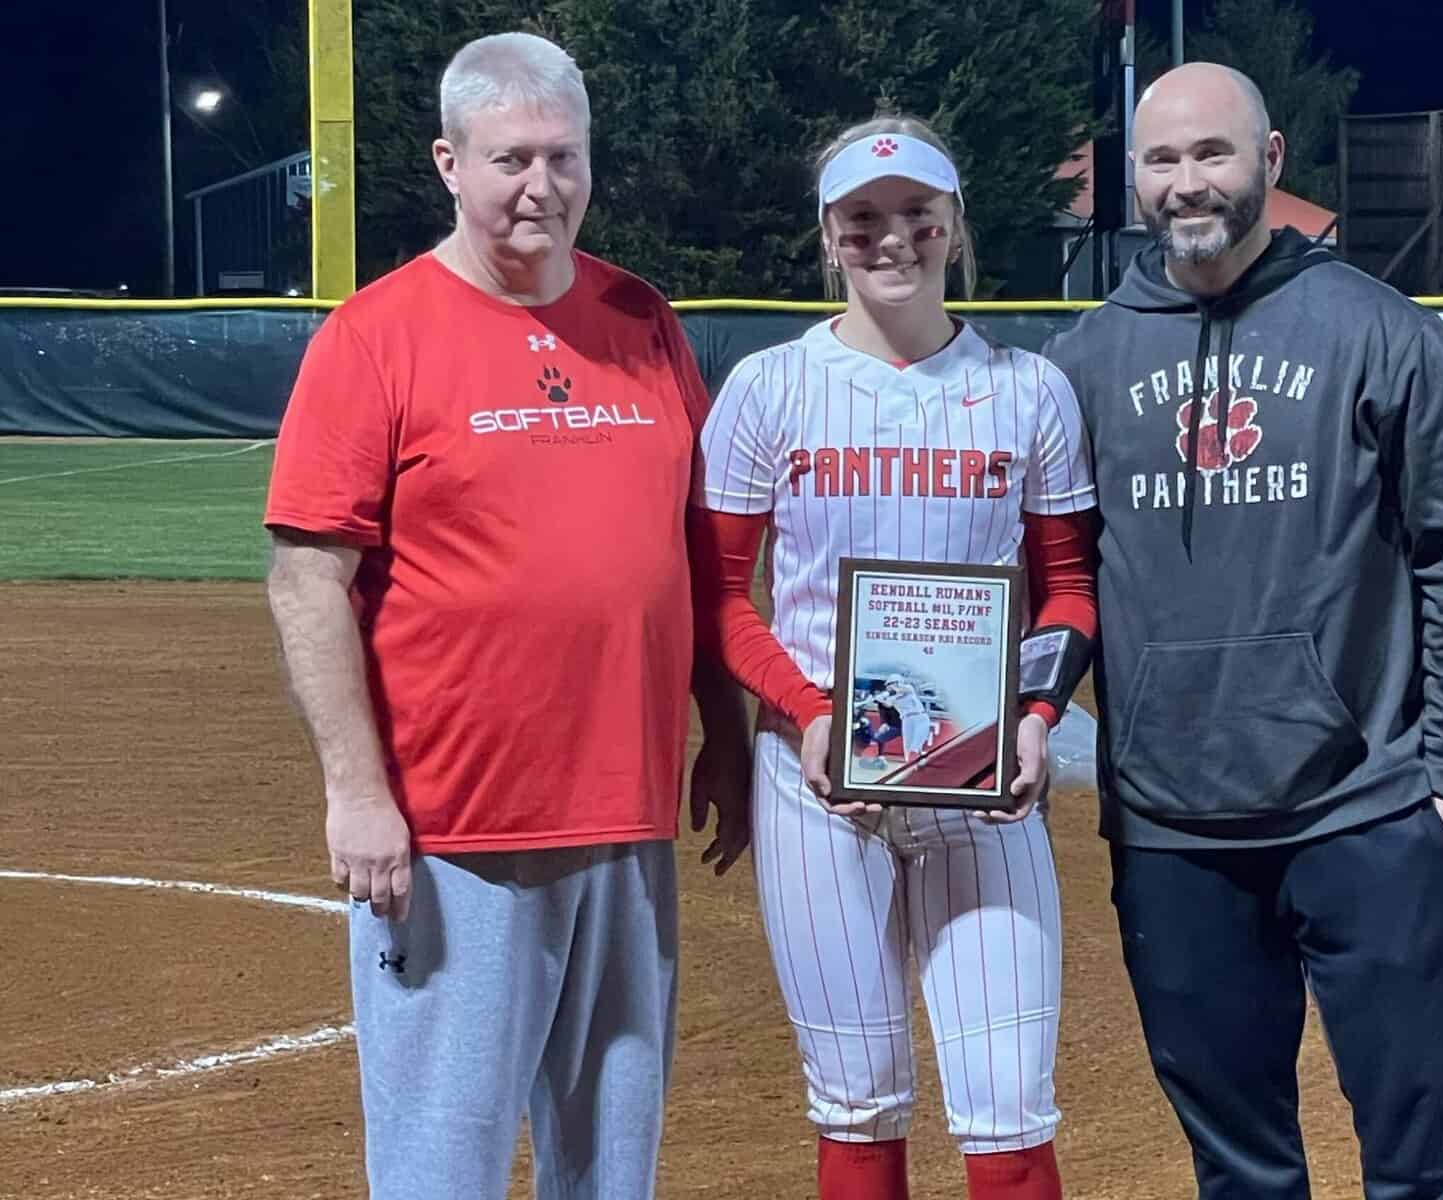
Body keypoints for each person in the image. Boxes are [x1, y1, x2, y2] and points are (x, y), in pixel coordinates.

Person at [262, 32, 751, 1200]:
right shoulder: (374, 334)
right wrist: (356, 790)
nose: (542, 187)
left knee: (610, 1164)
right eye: (511, 159)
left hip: (625, 821)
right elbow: (305, 579)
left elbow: (691, 554)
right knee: (444, 1159)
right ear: (449, 160)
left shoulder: (642, 321)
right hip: (455, 833)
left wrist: (724, 737)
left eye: (565, 158)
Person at [1044, 63, 1443, 1200]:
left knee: (1418, 1157)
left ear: (1272, 160)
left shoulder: (1379, 331)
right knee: (1240, 1168)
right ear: (1134, 181)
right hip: (1172, 833)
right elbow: (1049, 579)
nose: (1186, 182)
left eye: (1213, 153)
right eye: (1162, 159)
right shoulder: (1086, 364)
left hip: (1367, 815)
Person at [689, 114, 1099, 1200]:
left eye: (918, 215)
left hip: (983, 783)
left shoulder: (1028, 390)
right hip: (818, 779)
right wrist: (810, 710)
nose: (892, 238)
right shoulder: (769, 388)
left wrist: (1037, 721)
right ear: (829, 234)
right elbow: (723, 599)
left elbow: (1070, 590)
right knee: (859, 1099)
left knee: (1010, 1106)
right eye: (863, 218)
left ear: (953, 227)